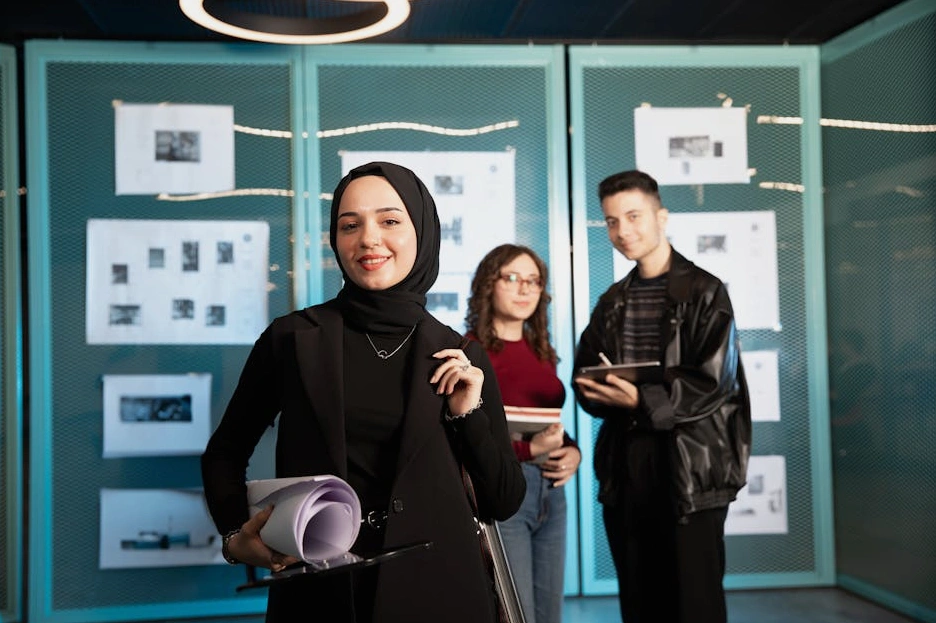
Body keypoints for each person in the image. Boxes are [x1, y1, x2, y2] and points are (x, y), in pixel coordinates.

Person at [201, 161, 525, 623]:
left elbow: (504, 500)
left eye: (390, 221)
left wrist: (466, 414)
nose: (368, 239)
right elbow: (225, 452)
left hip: (442, 590)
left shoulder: (460, 353)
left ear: (423, 232)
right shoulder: (293, 339)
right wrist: (235, 537)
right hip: (322, 594)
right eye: (349, 225)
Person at [572, 170, 751, 623]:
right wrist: (596, 391)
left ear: (662, 216)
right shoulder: (612, 301)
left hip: (690, 466)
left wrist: (638, 399)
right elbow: (585, 375)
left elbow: (713, 382)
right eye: (612, 221)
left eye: (633, 216)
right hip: (627, 465)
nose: (623, 231)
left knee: (695, 602)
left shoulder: (706, 292)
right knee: (639, 598)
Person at [465, 244, 581, 623]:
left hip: (554, 493)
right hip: (507, 492)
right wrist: (529, 450)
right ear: (489, 284)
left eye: (533, 281)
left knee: (549, 616)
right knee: (516, 616)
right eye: (512, 278)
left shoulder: (541, 349)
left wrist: (573, 452)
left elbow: (546, 420)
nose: (524, 289)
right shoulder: (470, 352)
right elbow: (468, 441)